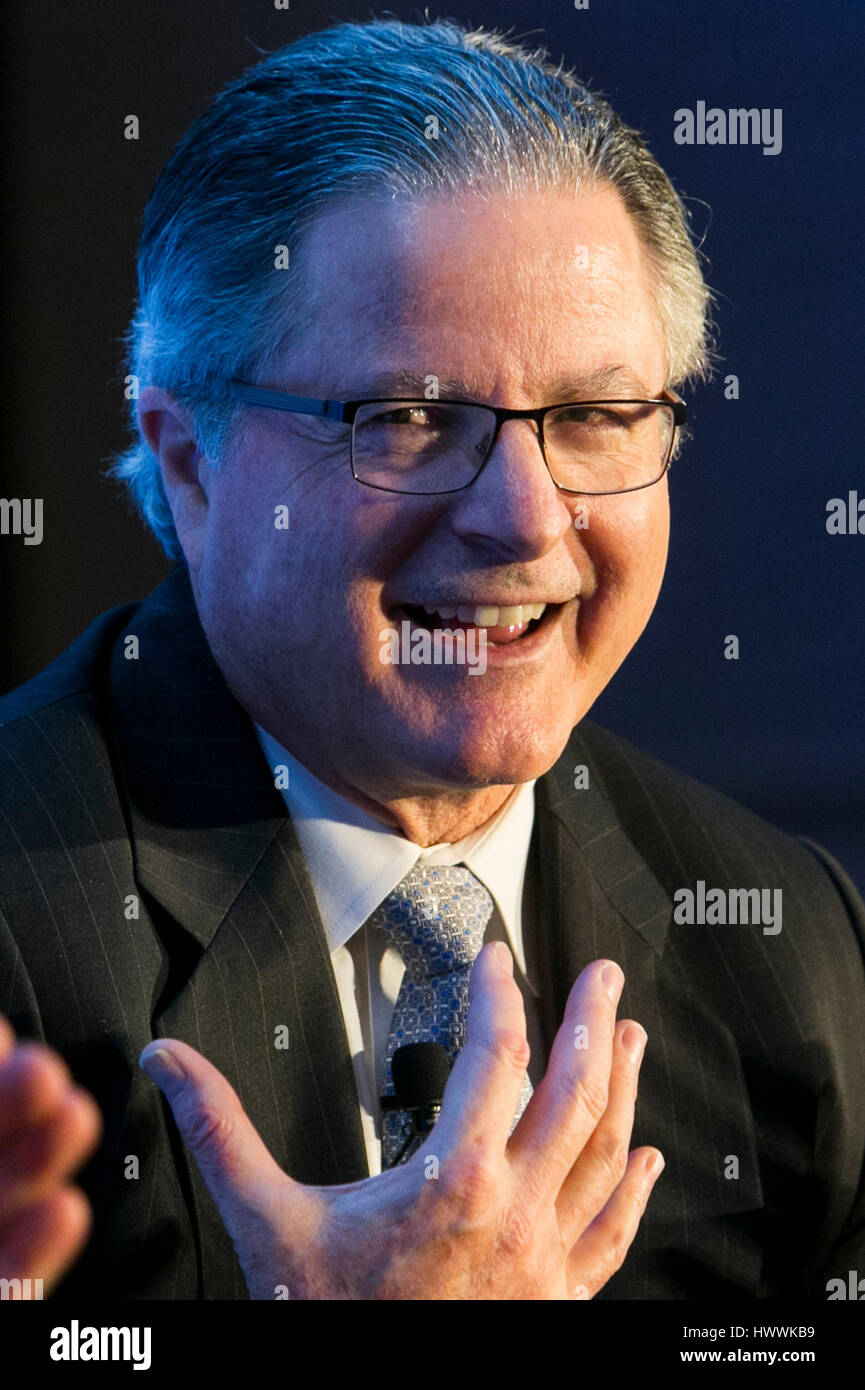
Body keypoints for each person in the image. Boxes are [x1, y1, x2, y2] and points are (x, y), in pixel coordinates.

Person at [1, 17, 863, 1301]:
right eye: (405, 418)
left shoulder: (793, 951)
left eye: (592, 416)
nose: (522, 515)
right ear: (188, 462)